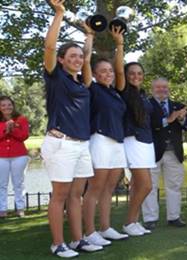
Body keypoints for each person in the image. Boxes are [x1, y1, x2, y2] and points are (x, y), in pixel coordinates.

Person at [42, 0, 102, 257]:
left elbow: (88, 56)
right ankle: (57, 243)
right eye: (72, 56)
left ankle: (78, 240)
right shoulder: (55, 76)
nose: (77, 59)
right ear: (61, 60)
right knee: (60, 195)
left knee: (77, 194)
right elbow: (49, 46)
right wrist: (59, 13)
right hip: (60, 142)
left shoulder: (83, 83)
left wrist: (88, 35)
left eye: (79, 56)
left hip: (81, 144)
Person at [81, 26, 129, 247]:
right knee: (95, 188)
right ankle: (89, 232)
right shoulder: (91, 87)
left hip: (117, 142)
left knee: (109, 189)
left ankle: (106, 228)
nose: (108, 74)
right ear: (94, 73)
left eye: (109, 70)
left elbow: (120, 72)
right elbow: (86, 60)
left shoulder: (115, 92)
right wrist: (89, 37)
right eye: (103, 71)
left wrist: (119, 44)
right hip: (100, 140)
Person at [141, 78, 187, 230]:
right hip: (153, 152)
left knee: (174, 186)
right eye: (158, 87)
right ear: (152, 89)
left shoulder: (177, 105)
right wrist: (168, 119)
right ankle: (150, 219)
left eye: (164, 87)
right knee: (149, 186)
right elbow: (147, 124)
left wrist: (183, 118)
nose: (162, 90)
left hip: (174, 153)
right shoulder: (146, 105)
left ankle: (174, 217)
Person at [120, 61, 155, 236]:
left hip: (146, 142)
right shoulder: (124, 91)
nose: (136, 76)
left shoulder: (141, 94)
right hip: (133, 140)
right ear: (125, 75)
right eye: (132, 73)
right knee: (146, 185)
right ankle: (128, 222)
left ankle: (134, 221)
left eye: (139, 73)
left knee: (137, 185)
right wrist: (119, 44)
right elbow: (119, 69)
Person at [0, 96, 29, 218]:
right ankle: (2, 209)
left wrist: (12, 130)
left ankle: (20, 208)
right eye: (3, 105)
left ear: (13, 105)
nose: (7, 107)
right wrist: (6, 129)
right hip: (1, 156)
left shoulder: (21, 119)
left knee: (18, 183)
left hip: (19, 155)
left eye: (9, 104)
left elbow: (24, 136)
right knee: (2, 184)